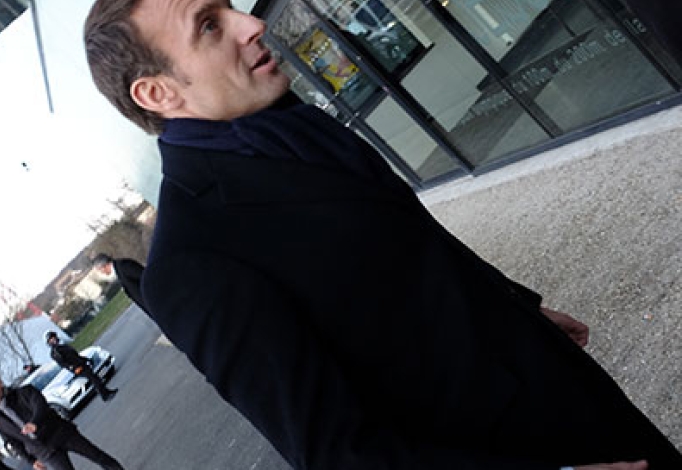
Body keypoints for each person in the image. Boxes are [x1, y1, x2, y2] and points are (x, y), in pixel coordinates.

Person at [83, 1, 682, 469]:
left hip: (554, 378)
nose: (253, 23)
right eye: (210, 26)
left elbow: (413, 247)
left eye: (228, 7)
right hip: (511, 448)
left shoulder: (295, 128)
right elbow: (340, 454)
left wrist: (519, 309)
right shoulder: (191, 263)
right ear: (157, 92)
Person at [0, 380, 124, 470]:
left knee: (98, 456)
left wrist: (34, 423)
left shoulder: (25, 391)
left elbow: (40, 405)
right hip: (45, 452)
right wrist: (31, 461)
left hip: (61, 433)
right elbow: (12, 441)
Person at [44, 332, 117, 402]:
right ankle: (105, 396)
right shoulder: (55, 352)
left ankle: (107, 391)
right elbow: (63, 364)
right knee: (94, 380)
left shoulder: (63, 346)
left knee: (96, 378)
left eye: (53, 337)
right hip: (78, 368)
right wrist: (74, 368)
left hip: (81, 364)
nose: (53, 339)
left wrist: (86, 359)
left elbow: (75, 355)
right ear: (49, 342)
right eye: (51, 339)